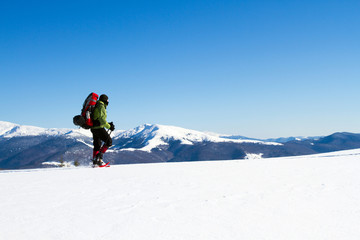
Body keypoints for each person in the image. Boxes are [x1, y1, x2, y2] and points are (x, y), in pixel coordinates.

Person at [91, 94, 115, 166]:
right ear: (105, 100)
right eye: (107, 100)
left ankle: (96, 162)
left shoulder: (96, 105)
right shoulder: (101, 106)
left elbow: (99, 118)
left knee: (97, 145)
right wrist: (109, 127)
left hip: (93, 128)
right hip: (98, 128)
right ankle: (98, 158)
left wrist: (108, 124)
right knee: (109, 141)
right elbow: (102, 120)